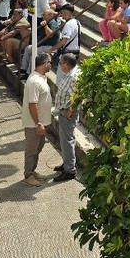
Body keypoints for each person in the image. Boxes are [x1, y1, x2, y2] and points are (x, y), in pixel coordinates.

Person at [22, 52, 54, 187]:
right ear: (45, 63)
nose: (51, 65)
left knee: (38, 148)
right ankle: (28, 175)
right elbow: (32, 104)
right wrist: (38, 123)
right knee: (32, 149)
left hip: (42, 122)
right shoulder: (34, 81)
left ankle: (32, 171)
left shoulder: (40, 78)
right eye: (50, 62)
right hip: (35, 124)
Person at [53, 52, 80, 182]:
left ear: (67, 64)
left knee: (66, 141)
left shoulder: (74, 77)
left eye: (61, 63)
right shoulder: (70, 73)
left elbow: (78, 95)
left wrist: (71, 109)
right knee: (67, 140)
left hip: (68, 113)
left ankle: (70, 170)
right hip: (64, 111)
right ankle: (67, 163)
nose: (60, 66)